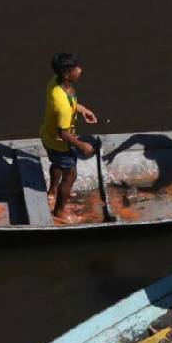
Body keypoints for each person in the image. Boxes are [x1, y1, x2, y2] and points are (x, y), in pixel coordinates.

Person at [39, 52, 99, 222]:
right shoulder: (62, 106)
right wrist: (82, 146)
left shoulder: (55, 82)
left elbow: (69, 103)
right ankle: (58, 212)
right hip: (59, 143)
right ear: (67, 74)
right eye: (76, 68)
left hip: (47, 136)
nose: (80, 70)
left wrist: (83, 110)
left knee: (57, 164)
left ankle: (52, 191)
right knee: (70, 175)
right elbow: (63, 133)